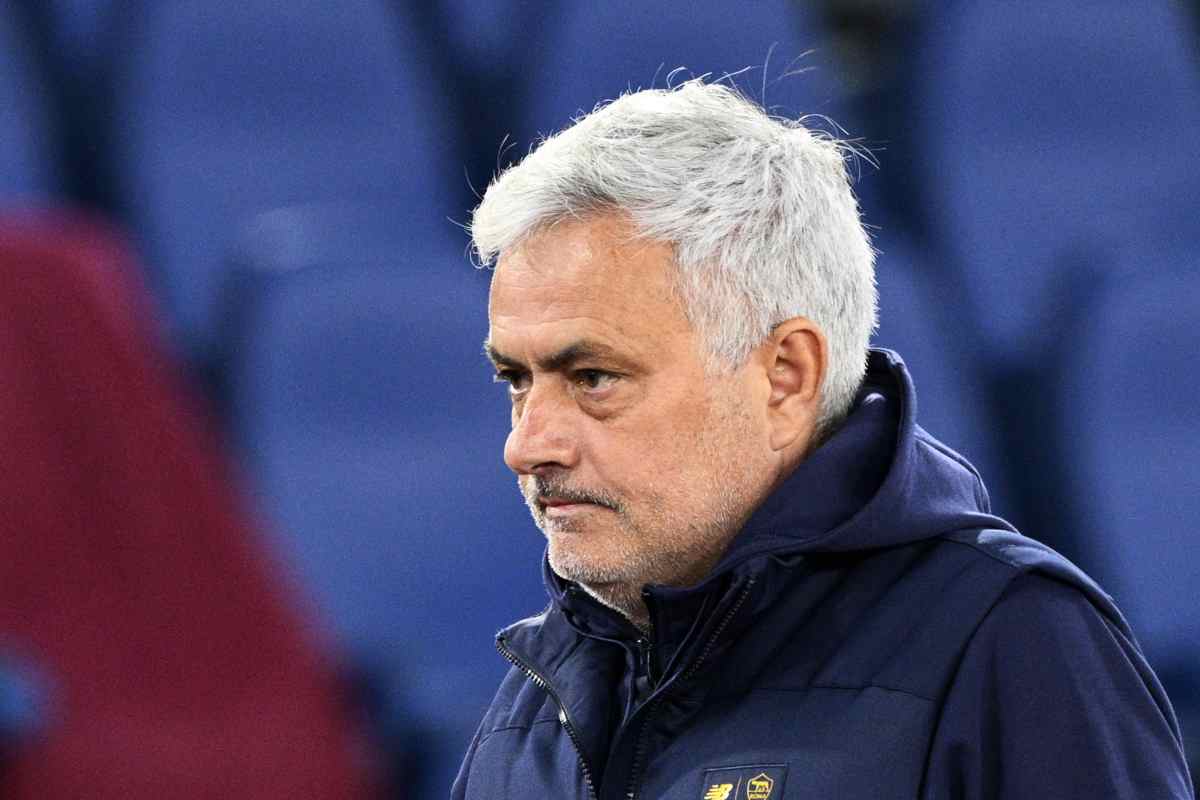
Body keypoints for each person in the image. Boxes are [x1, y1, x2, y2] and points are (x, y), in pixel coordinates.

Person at [451, 80, 1194, 799]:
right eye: (515, 379)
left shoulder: (1012, 646)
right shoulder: (532, 705)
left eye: (593, 378)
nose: (527, 445)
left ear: (785, 376)